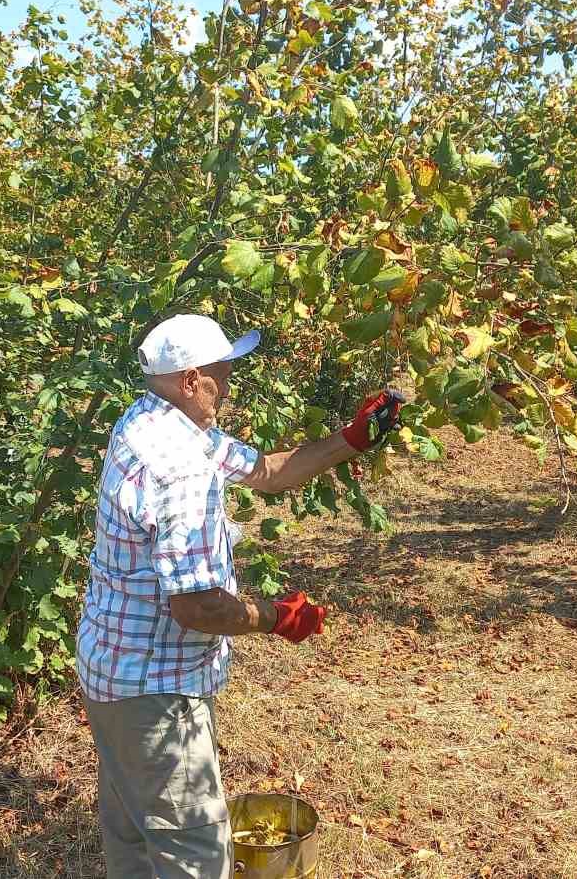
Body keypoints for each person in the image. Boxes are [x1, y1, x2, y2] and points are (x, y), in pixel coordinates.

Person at [76, 313, 403, 878]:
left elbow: (270, 471)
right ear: (191, 380)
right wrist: (277, 617)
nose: (229, 389)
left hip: (112, 673)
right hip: (156, 693)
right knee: (195, 856)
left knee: (133, 841)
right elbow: (195, 606)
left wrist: (352, 439)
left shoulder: (156, 423)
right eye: (223, 376)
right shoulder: (178, 464)